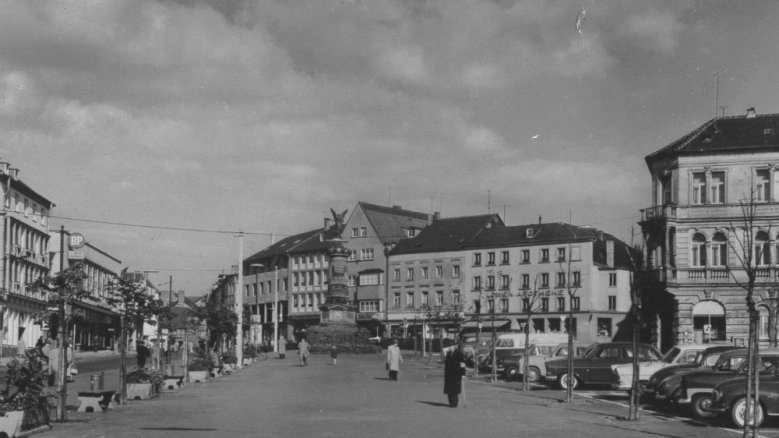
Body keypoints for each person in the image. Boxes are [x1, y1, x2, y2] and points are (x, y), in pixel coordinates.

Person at [444, 341, 467, 408]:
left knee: (454, 390)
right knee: (449, 390)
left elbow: (462, 364)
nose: (449, 348)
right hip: (449, 374)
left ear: (454, 346)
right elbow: (446, 364)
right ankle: (450, 403)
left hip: (456, 374)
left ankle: (454, 403)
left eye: (450, 346)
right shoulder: (448, 354)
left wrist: (463, 373)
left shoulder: (459, 354)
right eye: (449, 347)